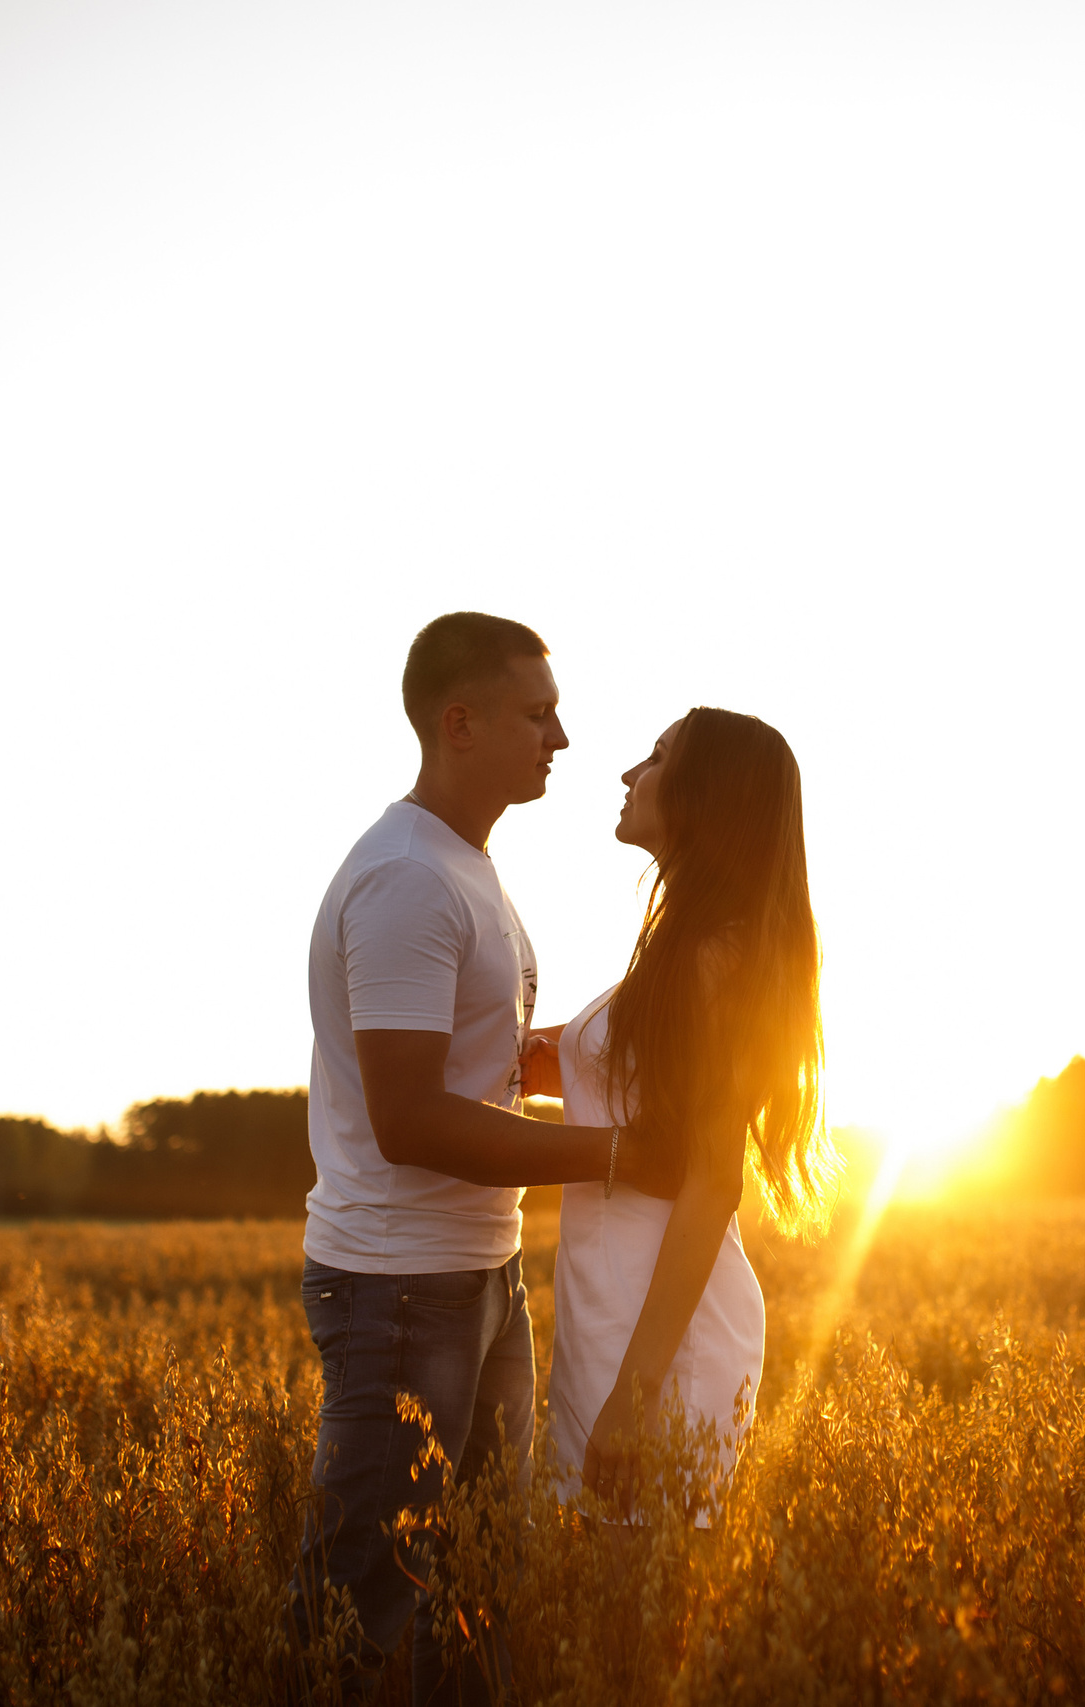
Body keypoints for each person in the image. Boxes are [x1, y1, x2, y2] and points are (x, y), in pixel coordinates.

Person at [287, 611, 672, 1704]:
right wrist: (618, 1154)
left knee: (476, 1597)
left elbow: (482, 1066)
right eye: (537, 714)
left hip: (476, 1281)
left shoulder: (464, 867)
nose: (562, 737)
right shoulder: (410, 879)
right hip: (400, 1292)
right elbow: (410, 1120)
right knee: (364, 1612)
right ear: (460, 723)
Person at [533, 706, 833, 1526]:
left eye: (656, 757)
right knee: (599, 1616)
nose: (630, 774)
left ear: (707, 794)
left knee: (641, 1620)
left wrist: (635, 1393)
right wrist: (550, 1055)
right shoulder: (685, 948)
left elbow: (711, 1184)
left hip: (664, 1337)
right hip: (611, 1307)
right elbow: (641, 1084)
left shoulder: (718, 957)